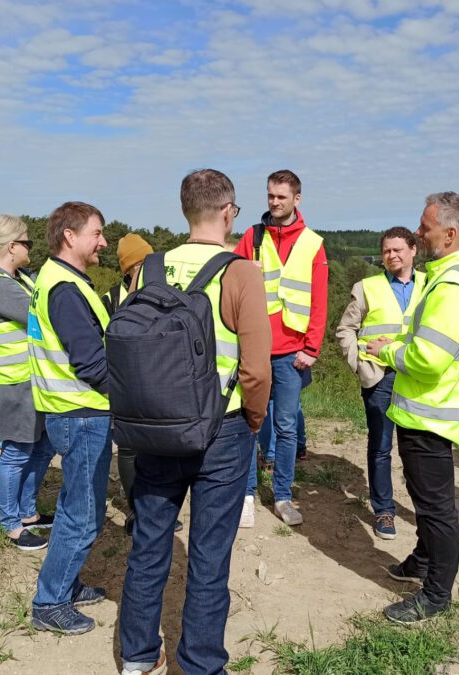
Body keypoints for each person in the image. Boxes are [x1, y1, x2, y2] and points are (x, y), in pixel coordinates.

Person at [119, 169, 271, 675]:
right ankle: (201, 663)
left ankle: (139, 656)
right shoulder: (241, 272)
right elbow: (255, 369)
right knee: (208, 556)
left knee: (149, 542)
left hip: (154, 427)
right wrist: (253, 420)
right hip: (220, 431)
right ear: (228, 211)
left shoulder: (148, 270)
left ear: (186, 212)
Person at [364, 192, 459, 624]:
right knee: (424, 498)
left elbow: (430, 358)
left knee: (436, 509)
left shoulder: (453, 285)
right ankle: (421, 558)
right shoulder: (447, 276)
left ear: (450, 234)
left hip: (432, 414)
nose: (419, 232)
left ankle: (436, 595)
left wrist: (387, 353)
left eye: (426, 227)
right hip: (424, 411)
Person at [28, 201, 114, 634]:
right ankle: (50, 602)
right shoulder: (65, 288)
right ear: (70, 236)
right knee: (84, 513)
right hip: (81, 413)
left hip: (71, 412)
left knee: (73, 507)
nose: (103, 241)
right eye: (96, 233)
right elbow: (91, 364)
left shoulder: (58, 280)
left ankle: (66, 581)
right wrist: (134, 393)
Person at [234, 169, 328, 527]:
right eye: (270, 196)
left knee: (287, 427)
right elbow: (232, 282)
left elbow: (319, 300)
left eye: (281, 197)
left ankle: (283, 496)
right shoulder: (252, 237)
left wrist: (312, 348)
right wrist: (245, 269)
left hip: (292, 353)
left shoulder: (312, 243)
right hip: (256, 347)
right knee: (250, 423)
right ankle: (245, 493)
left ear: (296, 199)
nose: (274, 202)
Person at [0, 214, 55, 551]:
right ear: (13, 246)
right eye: (28, 242)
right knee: (16, 453)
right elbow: (43, 313)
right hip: (14, 382)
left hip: (33, 380)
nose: (32, 248)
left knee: (42, 447)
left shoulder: (17, 278)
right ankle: (12, 524)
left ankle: (28, 512)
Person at [336, 227, 425, 540]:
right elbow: (346, 329)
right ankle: (385, 511)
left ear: (413, 250)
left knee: (422, 449)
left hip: (417, 376)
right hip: (380, 377)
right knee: (381, 446)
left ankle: (433, 513)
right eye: (387, 250)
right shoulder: (367, 287)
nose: (392, 255)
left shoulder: (430, 286)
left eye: (398, 249)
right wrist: (358, 364)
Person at [100, 233, 183, 536]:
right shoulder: (111, 299)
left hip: (160, 383)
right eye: (143, 262)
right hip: (126, 386)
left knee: (160, 447)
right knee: (130, 449)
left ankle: (159, 509)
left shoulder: (164, 292)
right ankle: (137, 510)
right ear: (131, 267)